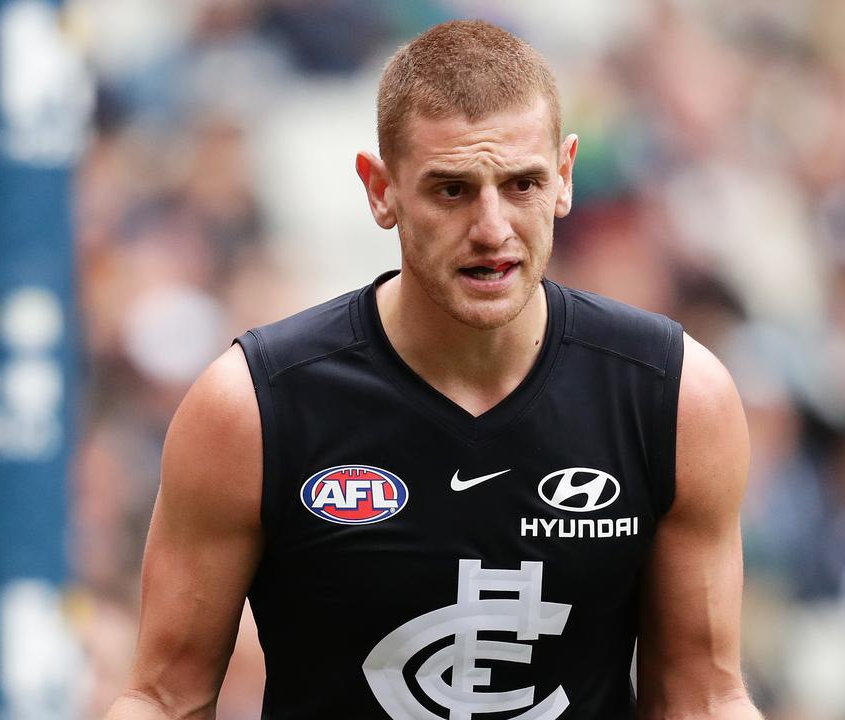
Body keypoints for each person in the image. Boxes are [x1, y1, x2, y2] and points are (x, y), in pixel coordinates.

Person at [105, 20, 763, 720]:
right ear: (380, 188)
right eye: (452, 190)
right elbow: (163, 697)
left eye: (522, 185)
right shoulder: (254, 408)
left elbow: (703, 698)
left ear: (565, 177)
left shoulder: (674, 395)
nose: (491, 228)